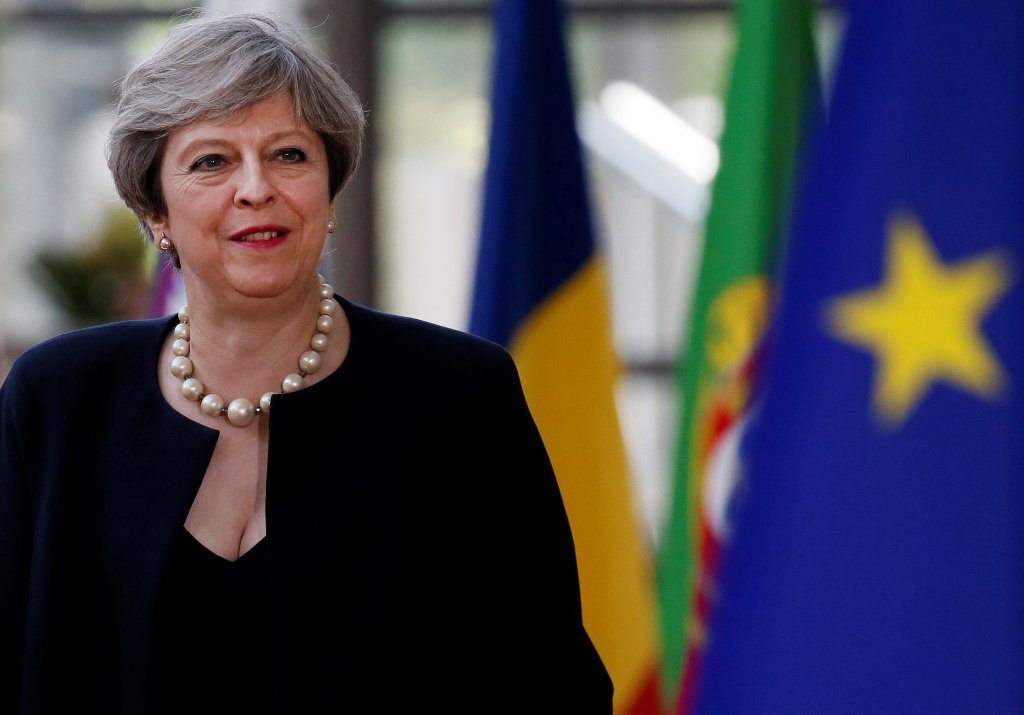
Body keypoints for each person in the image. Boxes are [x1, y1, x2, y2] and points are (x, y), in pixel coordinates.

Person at [0, 12, 612, 714]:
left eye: (289, 154)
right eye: (211, 161)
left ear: (331, 189)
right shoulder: (57, 402)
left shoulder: (460, 397)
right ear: (155, 210)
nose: (255, 188)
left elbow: (550, 684)